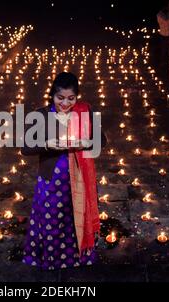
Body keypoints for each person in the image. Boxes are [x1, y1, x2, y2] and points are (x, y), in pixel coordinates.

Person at [21, 72, 107, 270]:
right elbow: (25, 148)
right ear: (52, 95)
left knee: (74, 221)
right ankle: (51, 261)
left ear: (77, 97)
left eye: (71, 98)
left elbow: (101, 141)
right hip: (51, 182)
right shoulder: (42, 115)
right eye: (60, 98)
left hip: (77, 182)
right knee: (51, 222)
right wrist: (49, 144)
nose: (65, 103)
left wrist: (86, 143)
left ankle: (77, 258)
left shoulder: (85, 112)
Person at [156, 1, 169, 79]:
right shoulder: (160, 15)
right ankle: (164, 70)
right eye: (168, 6)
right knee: (165, 52)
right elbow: (167, 19)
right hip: (164, 36)